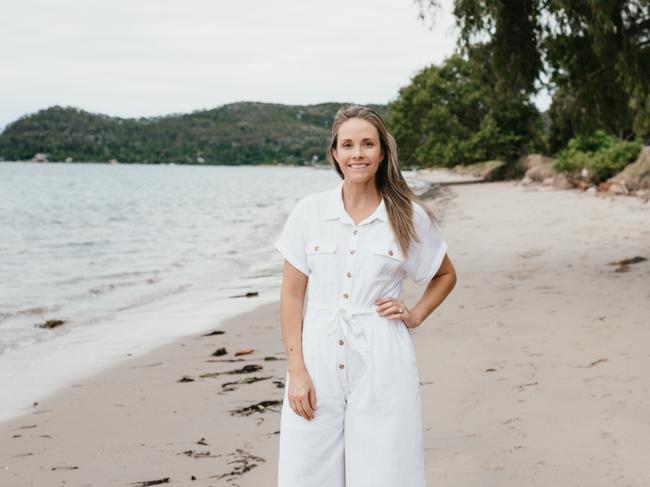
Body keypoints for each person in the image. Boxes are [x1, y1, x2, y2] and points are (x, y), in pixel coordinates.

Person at [273, 105, 457, 486]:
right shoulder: (309, 212)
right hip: (317, 358)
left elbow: (444, 274)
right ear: (335, 154)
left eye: (367, 144)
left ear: (383, 153)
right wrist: (296, 372)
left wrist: (417, 313)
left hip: (383, 358)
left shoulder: (408, 216)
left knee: (386, 471)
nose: (358, 153)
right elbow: (292, 296)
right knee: (307, 471)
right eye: (348, 145)